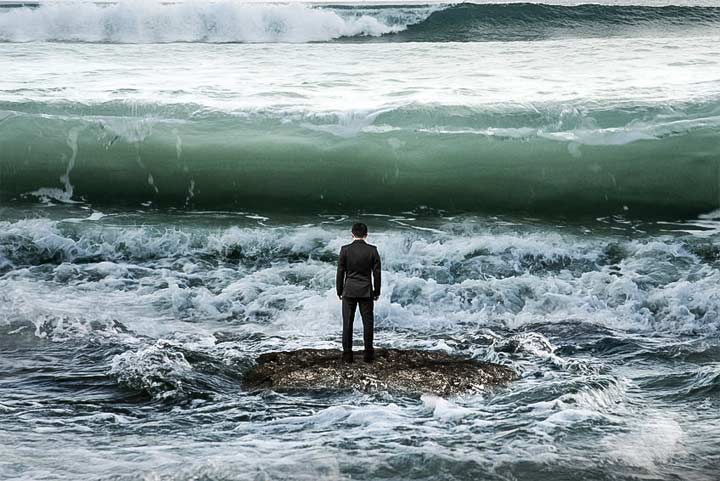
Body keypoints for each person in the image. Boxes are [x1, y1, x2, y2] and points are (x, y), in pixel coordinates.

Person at [336, 222, 381, 363]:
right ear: (366, 235)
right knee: (368, 323)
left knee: (347, 323)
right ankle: (368, 354)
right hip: (366, 291)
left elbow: (340, 272)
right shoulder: (372, 250)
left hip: (348, 291)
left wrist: (339, 290)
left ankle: (347, 355)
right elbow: (377, 274)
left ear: (352, 234)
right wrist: (376, 291)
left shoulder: (345, 250)